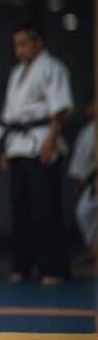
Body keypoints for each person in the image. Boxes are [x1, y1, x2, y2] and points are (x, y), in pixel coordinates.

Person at [0, 22, 73, 284]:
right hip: (17, 144)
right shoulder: (16, 73)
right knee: (21, 209)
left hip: (41, 143)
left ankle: (54, 268)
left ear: (38, 43)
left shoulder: (52, 68)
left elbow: (59, 108)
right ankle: (23, 266)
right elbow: (9, 113)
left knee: (46, 209)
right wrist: (5, 147)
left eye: (23, 44)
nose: (19, 50)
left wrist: (51, 139)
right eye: (16, 45)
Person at [68, 96, 96, 272]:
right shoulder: (88, 132)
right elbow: (80, 161)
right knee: (84, 212)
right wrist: (76, 181)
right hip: (92, 181)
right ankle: (94, 250)